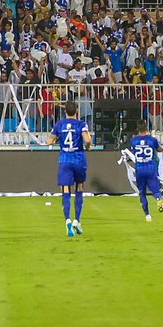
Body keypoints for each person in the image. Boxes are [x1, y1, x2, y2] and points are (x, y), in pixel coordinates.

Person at [48, 100, 92, 237]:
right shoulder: (81, 124)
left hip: (65, 160)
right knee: (79, 187)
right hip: (79, 159)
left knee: (65, 190)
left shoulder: (59, 124)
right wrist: (88, 147)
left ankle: (67, 219)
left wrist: (56, 140)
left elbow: (49, 141)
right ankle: (77, 220)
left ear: (65, 111)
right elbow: (88, 140)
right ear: (77, 111)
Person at [126, 119, 163, 222]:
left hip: (140, 168)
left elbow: (132, 150)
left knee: (142, 193)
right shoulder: (152, 140)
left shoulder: (133, 140)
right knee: (155, 190)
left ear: (137, 129)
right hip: (151, 167)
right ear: (147, 128)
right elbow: (159, 149)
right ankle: (158, 199)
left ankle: (147, 215)